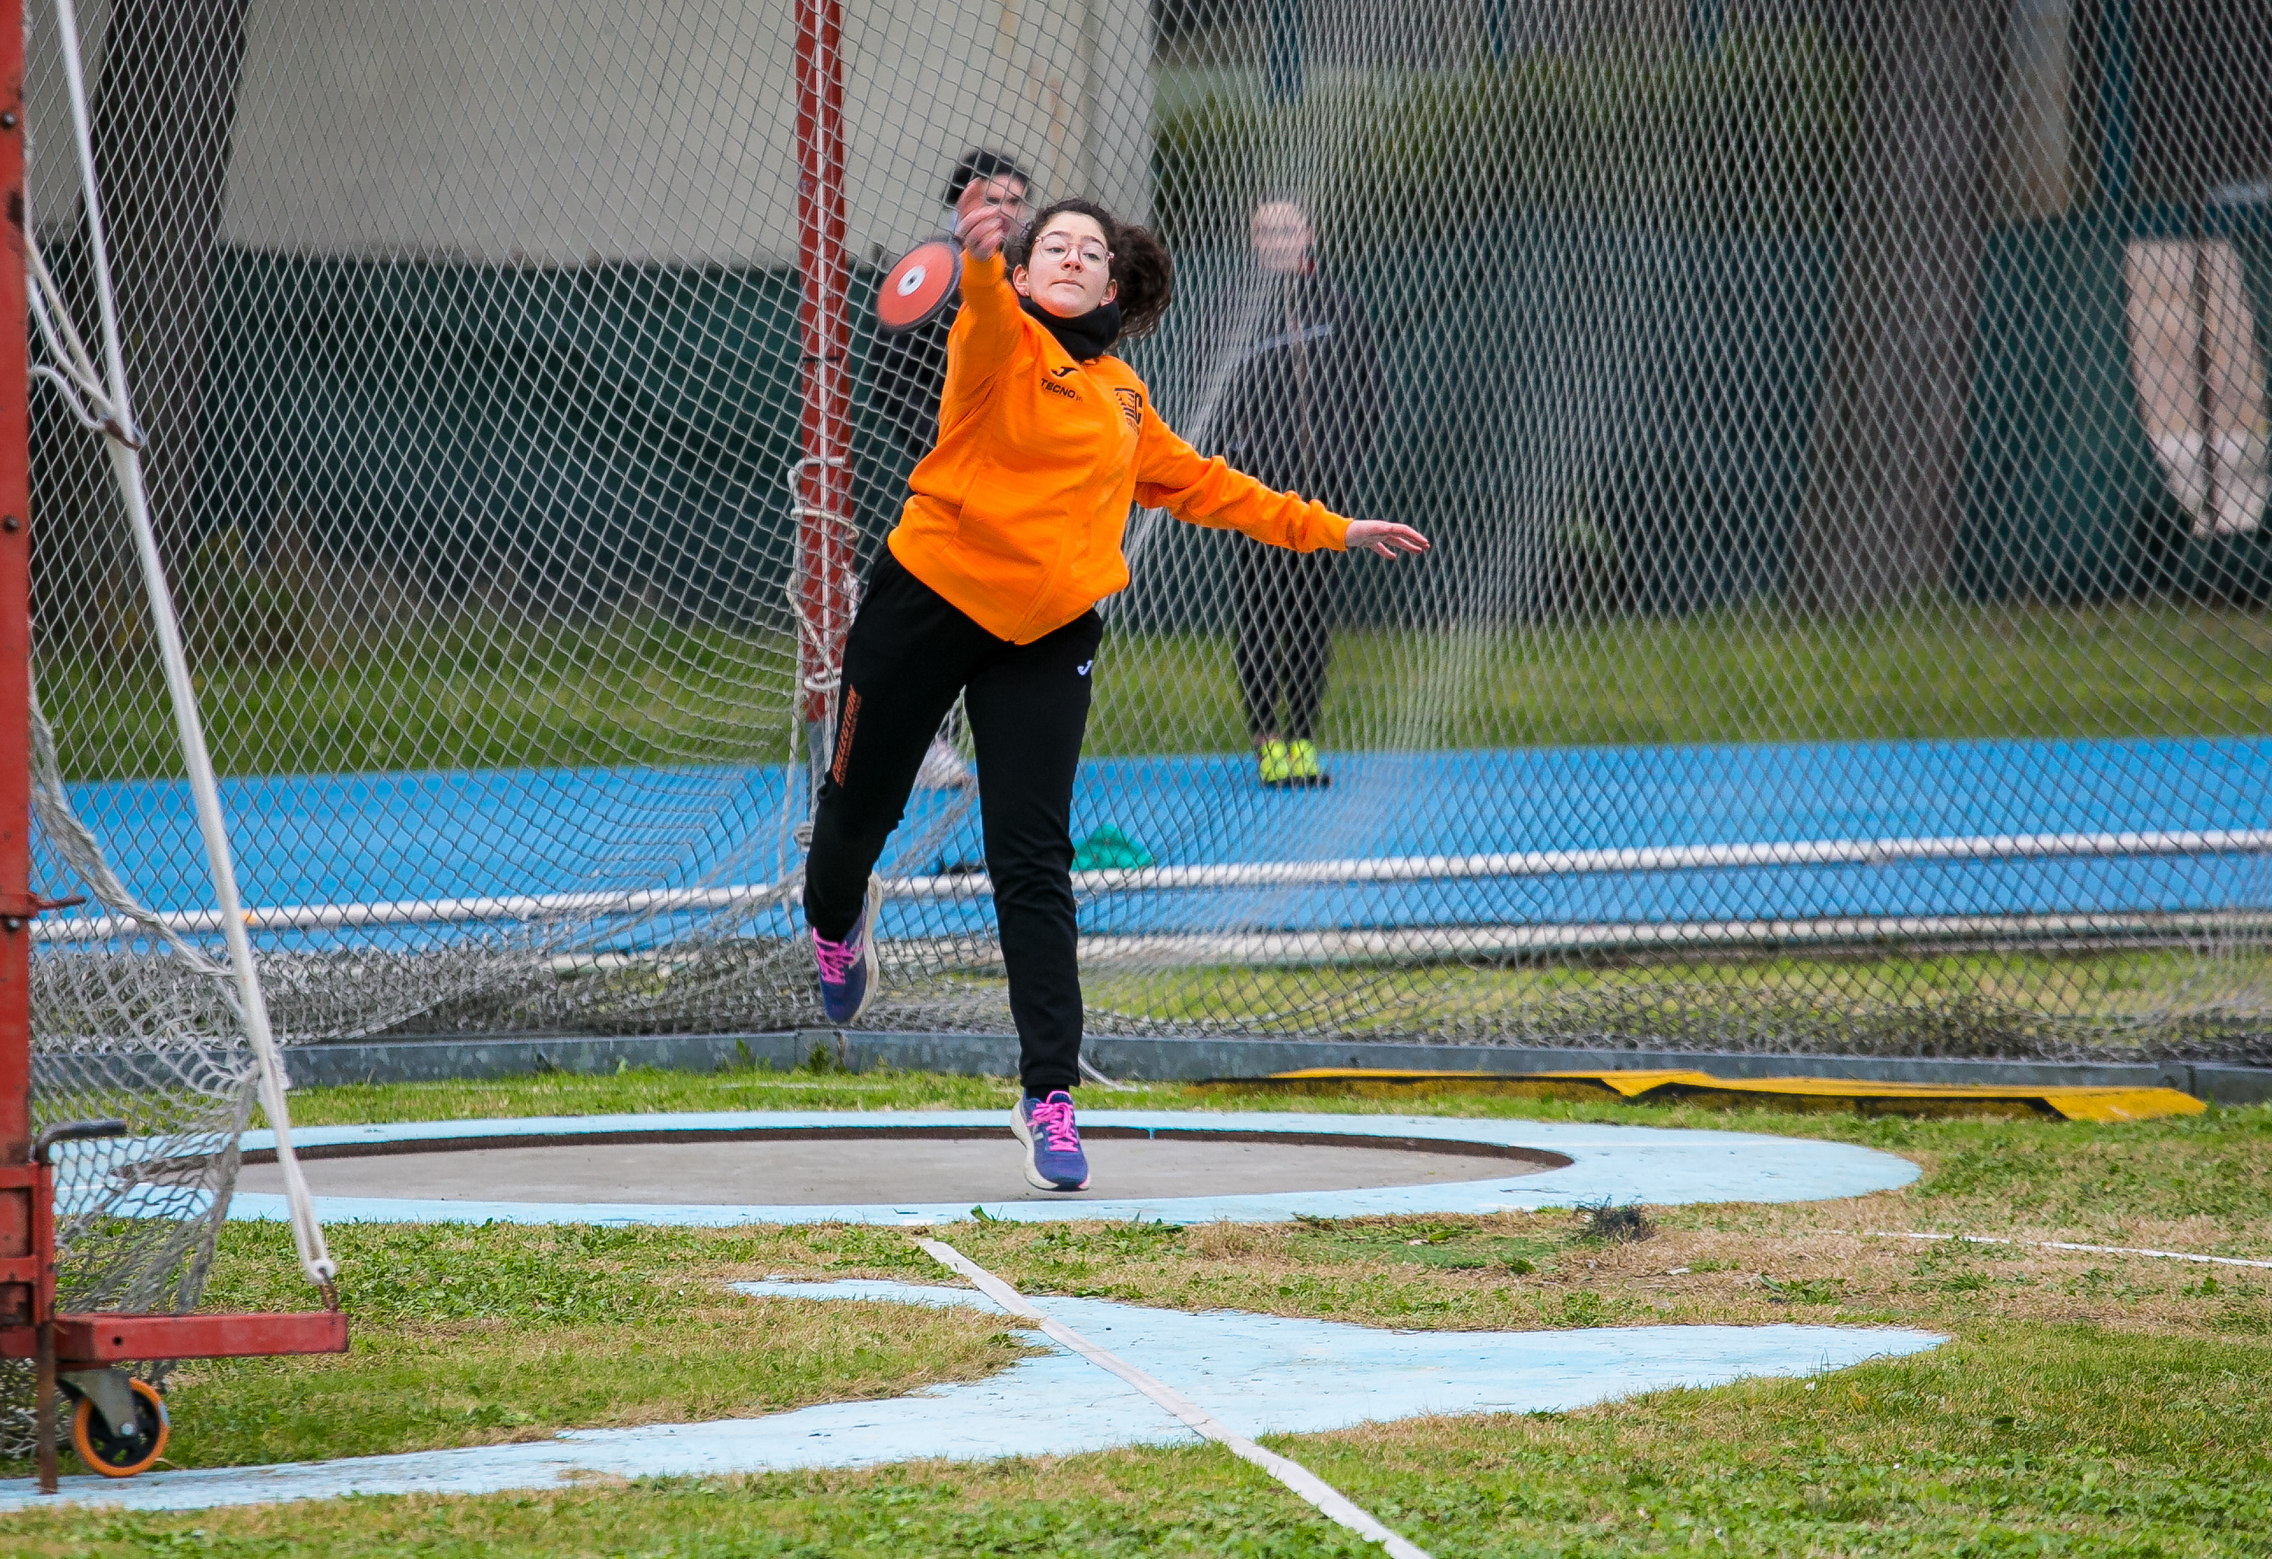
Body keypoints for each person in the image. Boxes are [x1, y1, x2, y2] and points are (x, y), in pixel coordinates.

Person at [805, 186, 1428, 1191]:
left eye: (1089, 251)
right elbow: (981, 313)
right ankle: (836, 920)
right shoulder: (998, 336)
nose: (1070, 257)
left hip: (1046, 634)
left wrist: (1333, 527)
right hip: (926, 602)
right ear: (1023, 273)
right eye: (1052, 245)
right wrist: (979, 259)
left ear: (1111, 286)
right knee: (853, 814)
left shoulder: (1123, 398)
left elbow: (1210, 484)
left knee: (1033, 858)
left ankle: (1047, 1094)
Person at [869, 149, 1033, 790]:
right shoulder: (933, 271)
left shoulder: (1031, 273)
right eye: (992, 199)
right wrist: (950, 442)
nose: (1005, 212)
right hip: (948, 477)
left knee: (1003, 609)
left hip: (1019, 477)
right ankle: (924, 741)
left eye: (1015, 201)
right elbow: (889, 379)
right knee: (938, 604)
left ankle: (997, 734)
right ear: (959, 203)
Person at [1217, 196, 1383, 788]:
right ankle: (1267, 742)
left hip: (1323, 497)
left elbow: (1369, 389)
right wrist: (1241, 463)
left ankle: (1303, 740)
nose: (1278, 240)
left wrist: (1343, 460)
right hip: (1257, 497)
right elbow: (1219, 399)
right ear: (1254, 243)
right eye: (1266, 232)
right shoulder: (1236, 311)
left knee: (1310, 617)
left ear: (1308, 235)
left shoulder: (1339, 302)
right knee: (1259, 614)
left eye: (1288, 230)